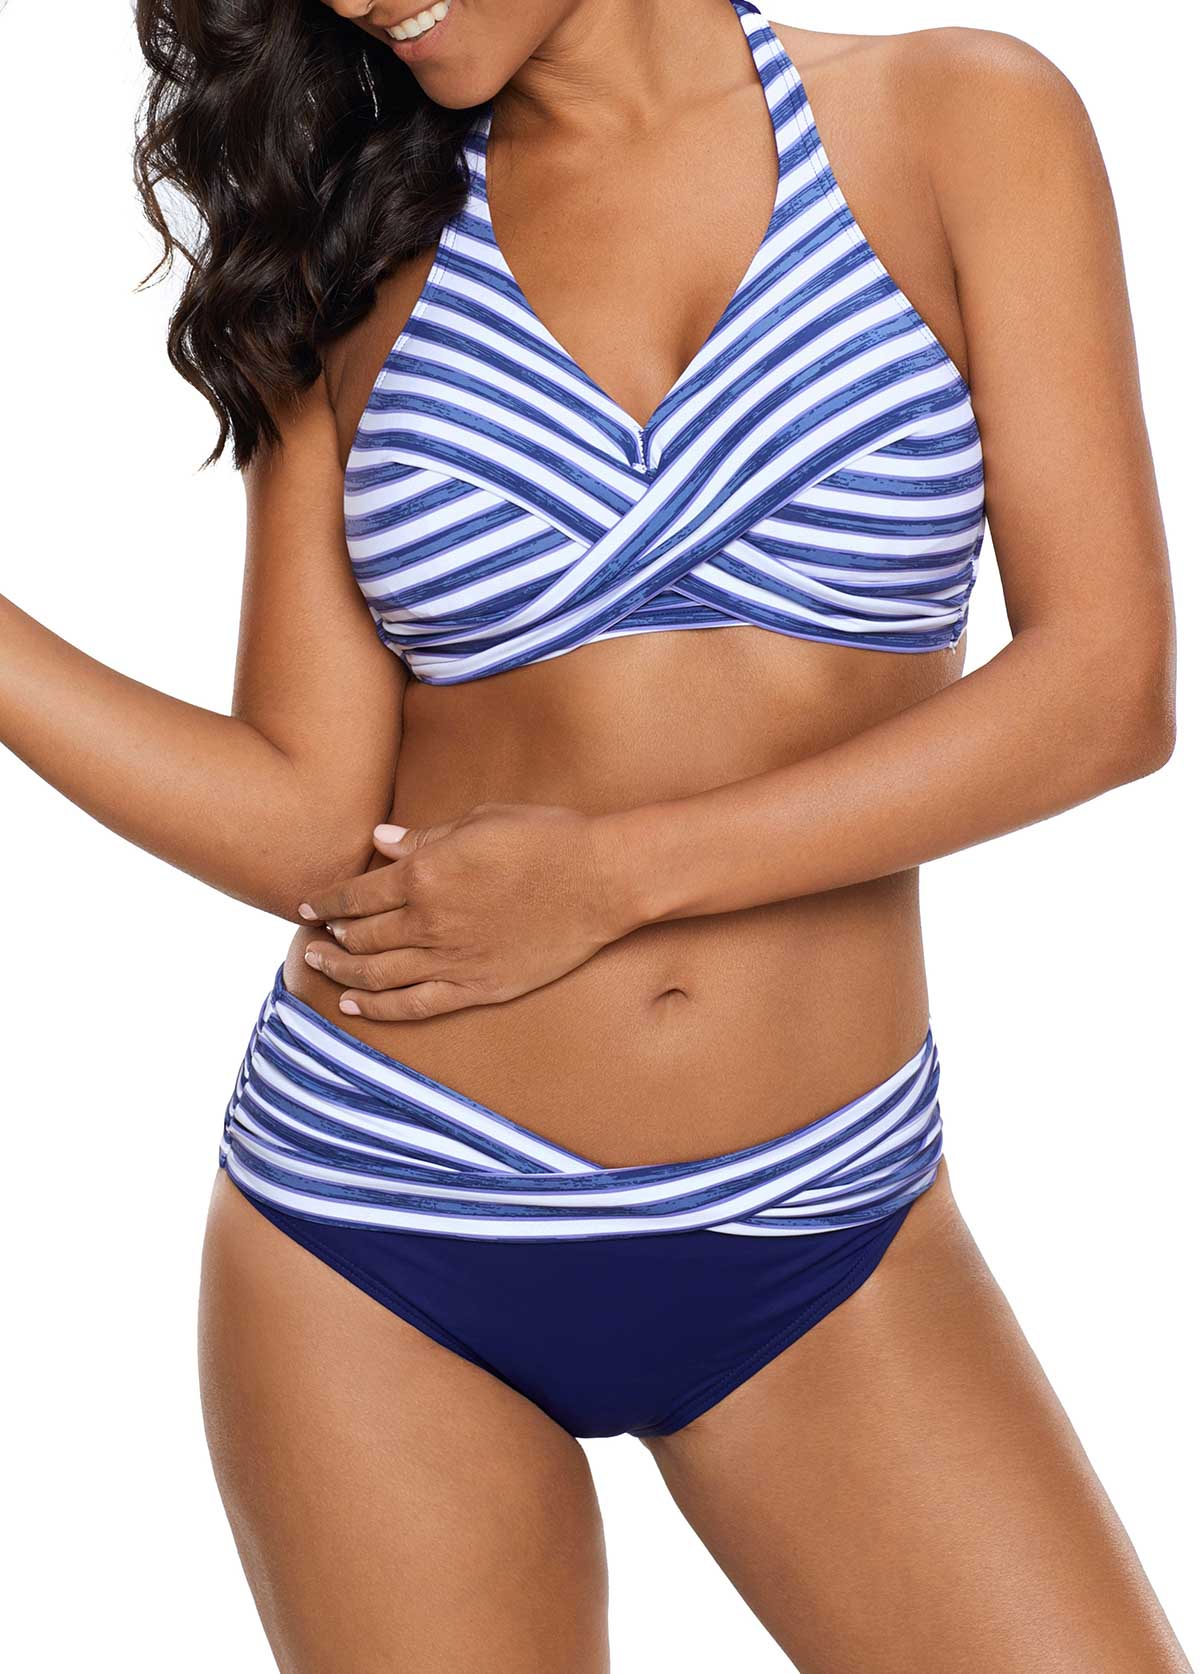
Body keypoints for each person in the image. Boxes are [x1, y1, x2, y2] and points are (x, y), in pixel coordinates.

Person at [1, 0, 1188, 1669]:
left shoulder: (960, 121)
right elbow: (305, 816)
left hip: (821, 1220)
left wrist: (616, 876)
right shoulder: (352, 233)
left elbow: (1108, 688)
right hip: (380, 1228)